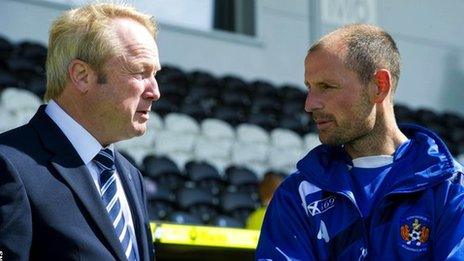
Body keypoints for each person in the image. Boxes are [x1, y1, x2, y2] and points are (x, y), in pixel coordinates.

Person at [256, 24, 464, 260]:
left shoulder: (451, 188)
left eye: (326, 87)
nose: (309, 104)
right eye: (309, 87)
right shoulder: (297, 195)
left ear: (379, 87)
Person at [0, 3, 161, 260]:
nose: (155, 91)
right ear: (82, 76)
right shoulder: (8, 165)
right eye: (140, 73)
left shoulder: (131, 176)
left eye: (155, 74)